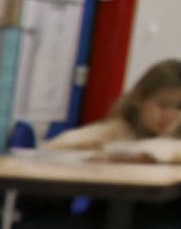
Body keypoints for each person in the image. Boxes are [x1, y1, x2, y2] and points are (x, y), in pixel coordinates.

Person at [46, 59, 181, 162]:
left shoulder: (172, 140)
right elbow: (52, 148)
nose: (170, 116)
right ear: (140, 99)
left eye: (179, 107)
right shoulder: (116, 132)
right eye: (163, 105)